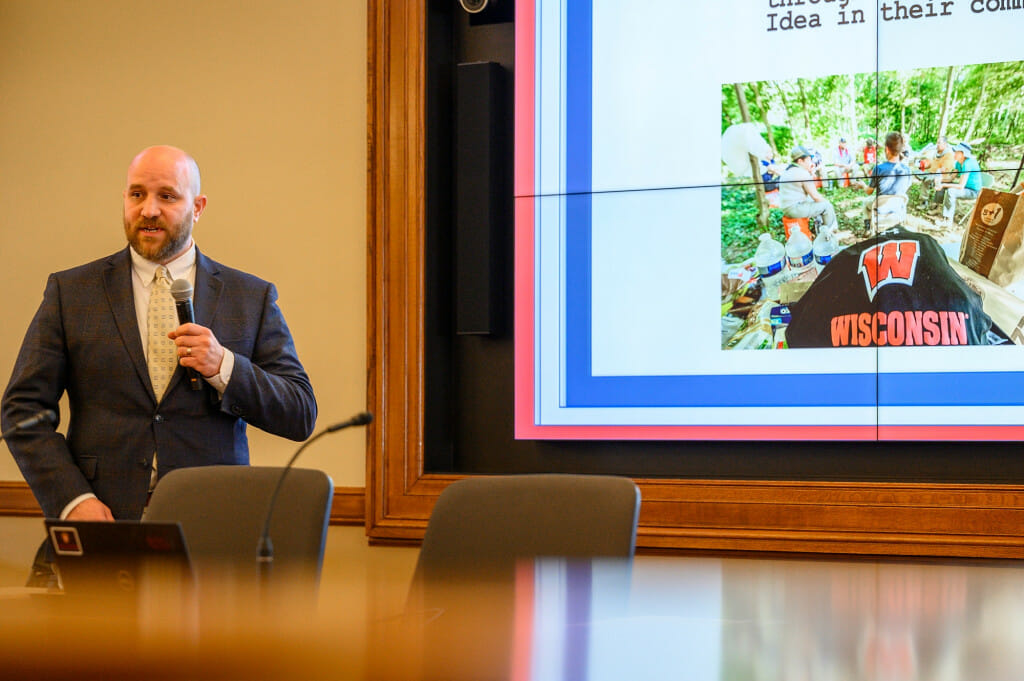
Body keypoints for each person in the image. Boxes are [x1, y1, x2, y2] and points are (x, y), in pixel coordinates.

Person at [1, 145, 318, 526]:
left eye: (167, 196)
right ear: (125, 200)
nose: (149, 209)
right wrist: (71, 500)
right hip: (102, 523)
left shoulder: (250, 297)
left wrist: (225, 367)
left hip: (212, 528)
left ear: (198, 207)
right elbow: (22, 411)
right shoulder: (71, 293)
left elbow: (299, 413)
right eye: (137, 194)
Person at [778, 145, 838, 231]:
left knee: (815, 202)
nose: (811, 162)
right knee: (827, 206)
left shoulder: (788, 170)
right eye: (809, 160)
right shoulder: (802, 173)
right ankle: (829, 232)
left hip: (788, 207)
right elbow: (816, 196)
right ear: (800, 161)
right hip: (794, 209)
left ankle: (818, 228)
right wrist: (826, 202)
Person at [863, 131, 912, 227]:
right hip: (898, 207)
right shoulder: (907, 170)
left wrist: (863, 185)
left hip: (881, 208)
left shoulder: (878, 169)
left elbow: (869, 191)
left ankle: (867, 228)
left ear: (887, 149)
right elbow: (906, 187)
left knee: (865, 202)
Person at [937, 142, 982, 227]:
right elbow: (951, 178)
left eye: (957, 152)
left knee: (951, 191)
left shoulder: (968, 163)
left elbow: (961, 186)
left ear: (963, 154)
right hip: (965, 188)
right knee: (943, 183)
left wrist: (943, 185)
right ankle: (937, 207)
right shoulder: (958, 163)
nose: (954, 153)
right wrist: (940, 180)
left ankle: (948, 221)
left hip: (973, 192)